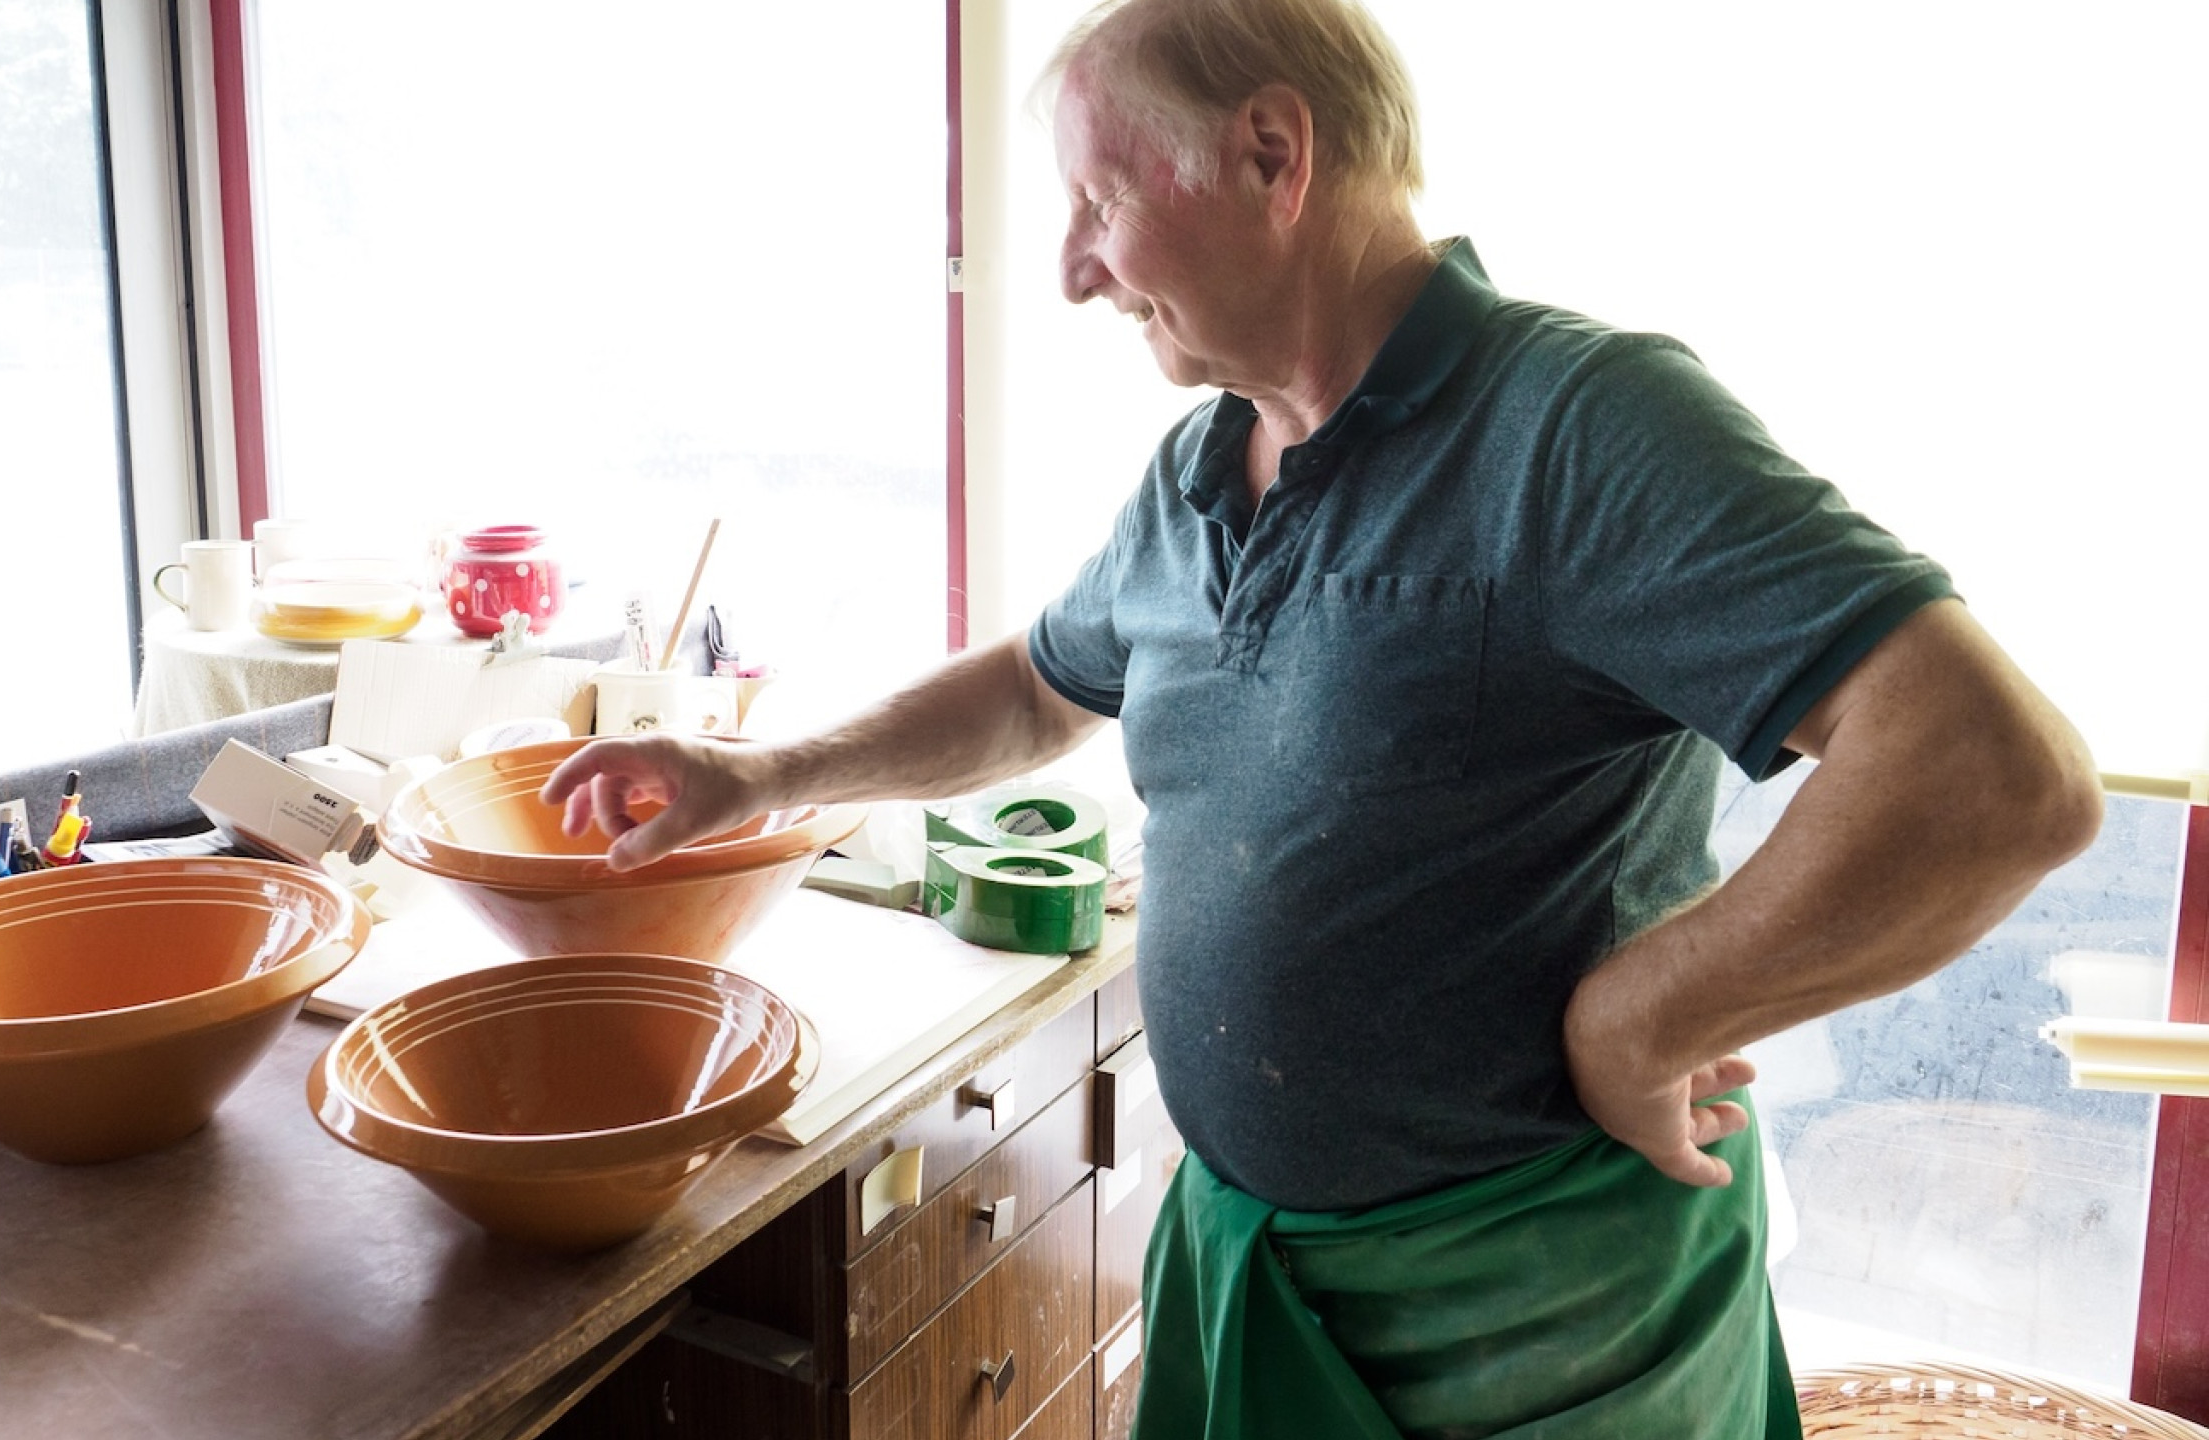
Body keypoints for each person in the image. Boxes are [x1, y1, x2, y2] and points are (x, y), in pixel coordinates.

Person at [542, 0, 2104, 1433]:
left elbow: (1991, 777)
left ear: (1273, 155)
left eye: (1098, 203)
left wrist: (1649, 1015)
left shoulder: (1578, 427)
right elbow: (1037, 686)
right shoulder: (1198, 468)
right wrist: (761, 773)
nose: (1074, 271)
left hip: (1531, 1314)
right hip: (1259, 1260)